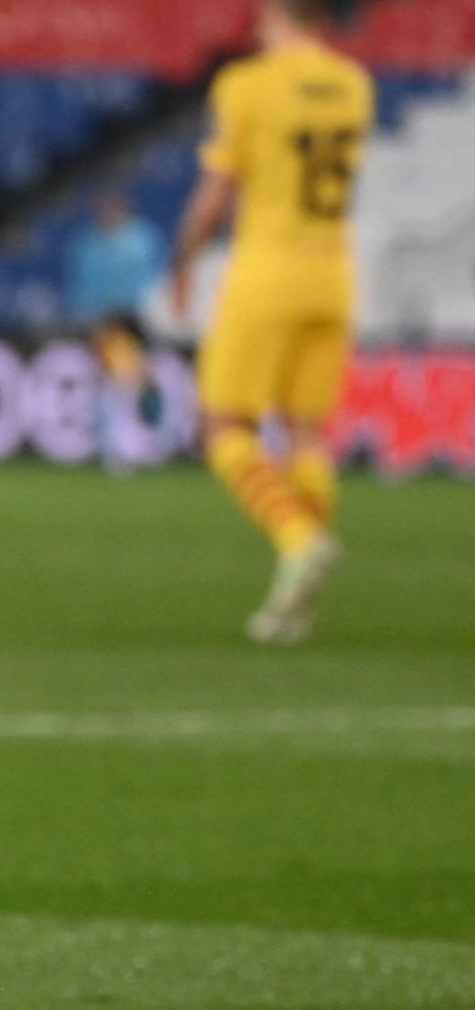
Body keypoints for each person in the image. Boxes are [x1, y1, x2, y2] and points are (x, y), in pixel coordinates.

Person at [169, 0, 373, 644]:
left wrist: (183, 261)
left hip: (267, 272)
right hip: (333, 275)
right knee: (306, 432)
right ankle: (296, 597)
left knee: (223, 425)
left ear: (281, 14)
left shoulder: (247, 84)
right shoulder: (354, 84)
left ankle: (298, 538)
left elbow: (216, 191)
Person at [66, 191, 166, 327]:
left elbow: (157, 279)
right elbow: (80, 289)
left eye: (113, 203)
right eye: (103, 203)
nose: (108, 209)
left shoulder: (145, 237)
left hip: (140, 314)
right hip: (98, 317)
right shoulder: (83, 244)